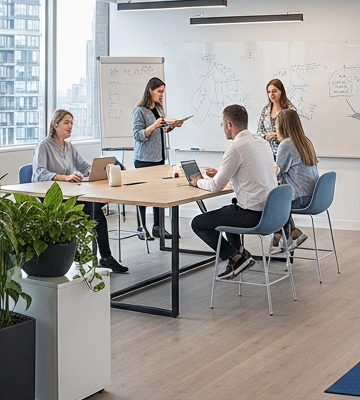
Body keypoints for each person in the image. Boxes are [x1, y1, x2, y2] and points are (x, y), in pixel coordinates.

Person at [188, 104, 279, 280]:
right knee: (229, 210)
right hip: (271, 213)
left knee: (198, 223)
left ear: (229, 124)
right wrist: (221, 175)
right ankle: (239, 256)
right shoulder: (262, 143)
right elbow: (251, 172)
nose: (223, 129)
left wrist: (197, 182)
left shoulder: (236, 147)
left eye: (223, 125)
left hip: (253, 215)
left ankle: (235, 257)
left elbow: (215, 186)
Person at [32, 110, 129, 274]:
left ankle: (105, 258)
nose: (70, 126)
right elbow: (39, 173)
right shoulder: (44, 146)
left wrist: (99, 171)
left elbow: (84, 167)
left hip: (70, 195)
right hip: (53, 200)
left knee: (96, 209)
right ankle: (103, 257)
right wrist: (65, 177)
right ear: (55, 124)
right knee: (95, 209)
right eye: (66, 122)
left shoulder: (69, 147)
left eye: (71, 122)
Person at [131, 77, 184, 240]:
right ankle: (141, 227)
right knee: (142, 195)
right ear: (150, 91)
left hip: (159, 157)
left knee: (158, 195)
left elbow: (161, 130)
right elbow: (138, 135)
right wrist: (154, 125)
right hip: (144, 158)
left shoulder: (159, 109)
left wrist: (171, 126)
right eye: (159, 91)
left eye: (163, 92)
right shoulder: (139, 110)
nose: (161, 95)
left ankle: (158, 227)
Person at [271, 108, 320, 252]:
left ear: (282, 126)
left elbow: (277, 172)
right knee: (278, 199)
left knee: (272, 202)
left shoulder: (286, 144)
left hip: (300, 198)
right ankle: (289, 233)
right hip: (313, 196)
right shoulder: (305, 141)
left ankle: (282, 236)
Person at [257, 78, 295, 155]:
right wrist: (266, 135)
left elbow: (295, 133)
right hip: (268, 152)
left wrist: (277, 135)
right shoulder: (266, 110)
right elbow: (259, 131)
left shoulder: (290, 110)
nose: (271, 94)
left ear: (281, 92)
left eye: (274, 91)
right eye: (269, 92)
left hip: (287, 152)